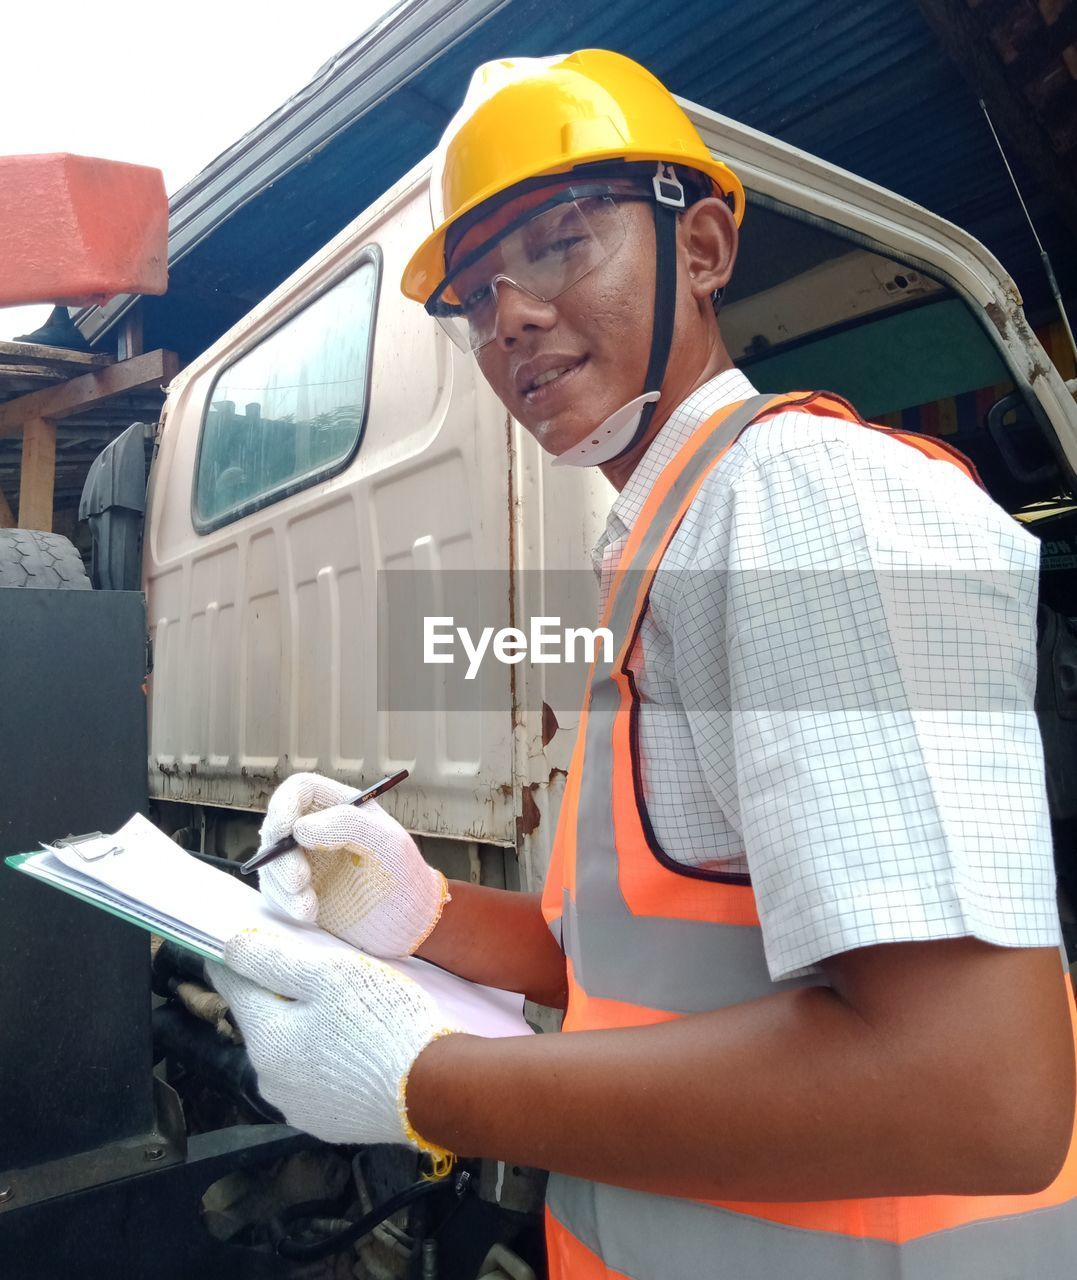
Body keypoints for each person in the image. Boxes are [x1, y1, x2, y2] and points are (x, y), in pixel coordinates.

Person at [210, 50, 1077, 1278]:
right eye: (474, 292)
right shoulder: (665, 544)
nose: (506, 314)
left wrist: (426, 1080)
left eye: (561, 238)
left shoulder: (801, 504)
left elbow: (976, 1088)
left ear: (707, 247)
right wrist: (419, 908)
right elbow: (635, 965)